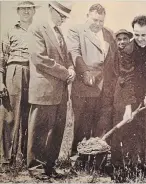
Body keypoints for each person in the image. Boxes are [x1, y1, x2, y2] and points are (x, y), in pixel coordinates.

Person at [26, 1, 75, 180]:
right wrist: (65, 73)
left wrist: (71, 69)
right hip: (44, 90)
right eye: (61, 14)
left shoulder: (59, 31)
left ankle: (50, 166)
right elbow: (40, 59)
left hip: (60, 92)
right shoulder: (37, 28)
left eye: (65, 16)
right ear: (51, 9)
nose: (63, 19)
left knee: (57, 131)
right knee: (39, 130)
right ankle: (35, 168)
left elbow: (66, 56)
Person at [110, 15, 146, 181]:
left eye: (143, 35)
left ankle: (142, 167)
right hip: (127, 96)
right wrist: (128, 108)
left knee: (145, 132)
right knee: (129, 134)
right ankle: (128, 171)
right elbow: (127, 81)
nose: (139, 39)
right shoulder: (127, 51)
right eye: (136, 34)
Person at [66, 4, 118, 160]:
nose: (98, 24)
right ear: (87, 15)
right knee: (82, 124)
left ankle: (97, 160)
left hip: (106, 88)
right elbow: (74, 53)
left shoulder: (109, 33)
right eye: (95, 20)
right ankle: (78, 158)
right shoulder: (76, 31)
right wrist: (85, 73)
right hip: (85, 85)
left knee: (101, 125)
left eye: (101, 21)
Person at [0, 1, 39, 165]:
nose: (26, 11)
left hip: (34, 73)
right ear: (17, 11)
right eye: (22, 8)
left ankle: (23, 156)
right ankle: (7, 158)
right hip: (13, 71)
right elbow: (2, 58)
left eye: (29, 8)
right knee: (10, 114)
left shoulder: (38, 31)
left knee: (29, 115)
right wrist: (1, 83)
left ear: (33, 11)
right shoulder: (9, 30)